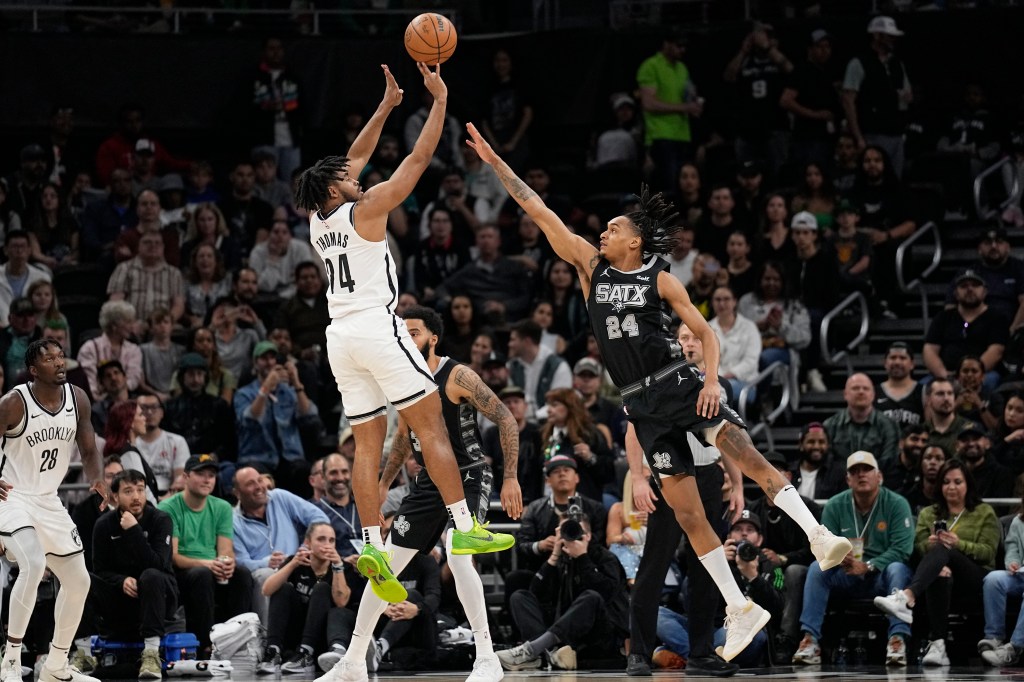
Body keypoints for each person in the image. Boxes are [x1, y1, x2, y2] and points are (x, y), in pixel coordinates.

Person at [468, 122, 851, 663]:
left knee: (746, 454)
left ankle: (816, 535)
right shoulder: (590, 267)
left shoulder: (660, 278)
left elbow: (706, 330)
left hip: (680, 385)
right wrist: (495, 162)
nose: (603, 232)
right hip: (639, 405)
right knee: (688, 514)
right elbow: (539, 211)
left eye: (613, 227)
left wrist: (713, 380)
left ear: (636, 239)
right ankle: (739, 608)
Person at [296, 65, 512, 613]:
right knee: (430, 420)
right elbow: (416, 161)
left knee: (367, 445)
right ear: (335, 189)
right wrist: (438, 100)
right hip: (376, 326)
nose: (358, 176)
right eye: (348, 178)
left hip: (339, 336)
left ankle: (371, 544)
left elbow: (351, 159)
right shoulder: (367, 211)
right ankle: (464, 525)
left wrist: (388, 104)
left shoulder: (319, 222)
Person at [326, 305, 521, 682]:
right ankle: (352, 661)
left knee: (459, 553)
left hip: (469, 474)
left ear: (433, 337)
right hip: (429, 482)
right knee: (385, 568)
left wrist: (510, 476)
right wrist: (382, 486)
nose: (406, 339)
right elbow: (401, 439)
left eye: (413, 332)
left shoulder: (456, 374)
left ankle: (486, 657)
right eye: (403, 332)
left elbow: (505, 417)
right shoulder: (401, 378)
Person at [0, 338, 105, 682]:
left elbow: (88, 444)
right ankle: (11, 661)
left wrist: (97, 479)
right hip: (11, 496)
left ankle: (57, 665)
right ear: (33, 370)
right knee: (33, 562)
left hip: (48, 499)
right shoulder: (14, 403)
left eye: (61, 356)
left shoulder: (78, 398)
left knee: (78, 581)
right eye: (50, 358)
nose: (60, 362)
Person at [791, 451, 914, 666]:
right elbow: (823, 544)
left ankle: (897, 639)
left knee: (898, 568)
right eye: (855, 471)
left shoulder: (897, 503)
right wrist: (837, 556)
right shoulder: (835, 505)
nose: (861, 475)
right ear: (848, 479)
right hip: (846, 575)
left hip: (880, 576)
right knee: (816, 568)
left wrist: (868, 566)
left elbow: (903, 548)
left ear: (879, 476)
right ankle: (810, 640)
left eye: (867, 470)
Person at [874, 459, 999, 666]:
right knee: (939, 569)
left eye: (958, 482)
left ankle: (907, 596)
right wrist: (928, 546)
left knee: (944, 549)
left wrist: (958, 544)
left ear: (968, 484)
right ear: (940, 485)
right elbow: (916, 548)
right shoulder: (928, 513)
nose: (951, 487)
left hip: (974, 575)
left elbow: (988, 553)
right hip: (938, 573)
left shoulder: (983, 511)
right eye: (946, 482)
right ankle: (938, 646)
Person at [498, 513, 629, 672]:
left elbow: (605, 594)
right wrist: (554, 557)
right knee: (520, 597)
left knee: (591, 597)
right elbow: (537, 594)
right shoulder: (562, 558)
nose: (570, 535)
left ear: (587, 535)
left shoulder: (604, 557)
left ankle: (532, 651)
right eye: (565, 531)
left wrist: (582, 558)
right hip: (566, 633)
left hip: (601, 633)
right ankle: (545, 655)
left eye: (575, 530)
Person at [158, 454, 253, 654]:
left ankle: (237, 641)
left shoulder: (222, 507)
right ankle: (205, 644)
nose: (207, 479)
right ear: (185, 477)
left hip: (211, 567)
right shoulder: (168, 508)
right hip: (180, 572)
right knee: (201, 575)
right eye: (200, 474)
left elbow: (226, 549)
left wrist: (226, 563)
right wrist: (208, 564)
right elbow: (173, 557)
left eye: (211, 475)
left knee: (242, 574)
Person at [89, 469, 177, 680]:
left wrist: (134, 531)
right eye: (128, 491)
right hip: (121, 601)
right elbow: (100, 571)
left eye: (140, 490)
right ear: (115, 497)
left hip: (159, 598)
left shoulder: (161, 519)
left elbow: (160, 565)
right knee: (84, 579)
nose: (136, 496)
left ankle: (151, 653)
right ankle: (83, 652)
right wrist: (121, 581)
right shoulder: (103, 525)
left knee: (151, 575)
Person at [258, 522, 350, 675]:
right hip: (296, 630)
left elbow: (341, 602)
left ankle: (306, 654)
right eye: (321, 539)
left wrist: (338, 566)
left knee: (322, 588)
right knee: (284, 587)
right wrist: (292, 564)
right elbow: (267, 590)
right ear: (307, 542)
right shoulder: (296, 562)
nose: (327, 545)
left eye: (331, 540)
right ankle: (273, 652)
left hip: (321, 635)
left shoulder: (341, 566)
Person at [841, 16, 913, 176]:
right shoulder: (858, 63)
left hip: (896, 133)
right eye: (889, 35)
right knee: (874, 177)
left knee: (894, 179)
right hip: (872, 133)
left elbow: (908, 95)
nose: (893, 39)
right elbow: (848, 101)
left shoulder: (897, 64)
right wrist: (858, 137)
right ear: (876, 35)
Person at [636, 30, 703, 192]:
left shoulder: (682, 68)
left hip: (682, 135)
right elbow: (648, 103)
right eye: (678, 46)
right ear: (666, 44)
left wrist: (693, 104)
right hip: (661, 136)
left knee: (686, 188)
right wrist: (685, 107)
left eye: (684, 46)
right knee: (668, 187)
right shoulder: (650, 66)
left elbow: (687, 96)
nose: (682, 50)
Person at [925, 268, 1008, 392]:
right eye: (964, 286)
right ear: (956, 293)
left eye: (975, 285)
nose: (969, 289)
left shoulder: (996, 318)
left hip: (984, 374)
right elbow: (929, 350)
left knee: (990, 382)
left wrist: (971, 375)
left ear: (984, 291)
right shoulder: (943, 317)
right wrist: (945, 376)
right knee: (923, 387)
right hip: (946, 374)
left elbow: (996, 351)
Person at [780, 29, 839, 169]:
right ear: (810, 49)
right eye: (820, 47)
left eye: (827, 47)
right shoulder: (802, 71)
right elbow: (785, 101)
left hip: (827, 137)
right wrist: (815, 115)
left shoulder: (827, 71)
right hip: (808, 138)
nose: (824, 51)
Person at [980, 488, 1024, 667]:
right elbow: (1012, 548)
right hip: (1021, 573)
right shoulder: (1018, 521)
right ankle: (994, 637)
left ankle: (1015, 648)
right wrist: (1012, 562)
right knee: (993, 579)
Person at [823, 373, 901, 463]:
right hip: (839, 476)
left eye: (866, 388)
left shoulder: (890, 425)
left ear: (873, 395)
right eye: (855, 388)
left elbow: (889, 461)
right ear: (845, 394)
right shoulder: (830, 425)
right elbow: (828, 461)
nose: (861, 392)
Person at [875, 342, 924, 428]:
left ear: (912, 364)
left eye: (902, 358)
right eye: (893, 358)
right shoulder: (873, 393)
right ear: (885, 363)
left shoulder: (923, 392)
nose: (897, 362)